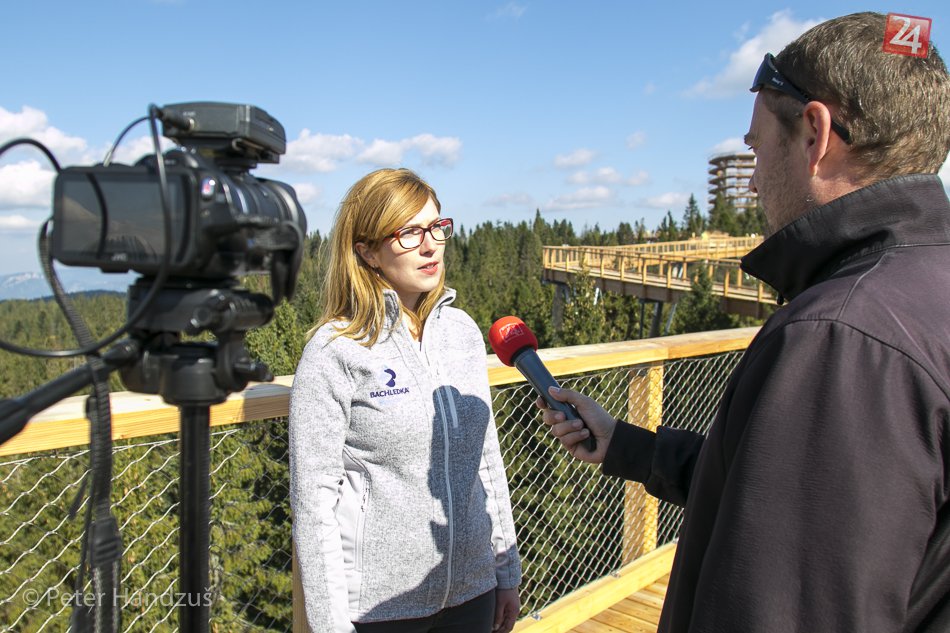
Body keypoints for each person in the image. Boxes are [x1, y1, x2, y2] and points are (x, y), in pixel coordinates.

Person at [540, 12, 950, 633]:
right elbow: (797, 498)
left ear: (814, 134)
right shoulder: (921, 290)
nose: (754, 179)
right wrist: (629, 446)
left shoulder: (839, 339)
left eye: (756, 147)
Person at [290, 168, 521, 633]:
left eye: (436, 227)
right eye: (409, 232)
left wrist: (506, 572)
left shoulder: (462, 333)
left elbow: (486, 460)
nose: (430, 245)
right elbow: (313, 502)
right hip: (381, 609)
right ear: (366, 251)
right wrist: (330, 625)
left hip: (474, 593)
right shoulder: (336, 350)